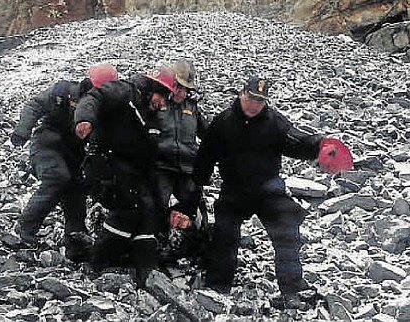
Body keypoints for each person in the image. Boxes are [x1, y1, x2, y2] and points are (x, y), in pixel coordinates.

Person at [187, 76, 350, 306]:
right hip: (234, 190)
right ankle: (217, 286)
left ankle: (291, 289)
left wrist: (320, 145)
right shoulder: (223, 123)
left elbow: (296, 141)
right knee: (224, 234)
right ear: (242, 93)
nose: (255, 105)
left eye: (261, 101)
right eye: (252, 98)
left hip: (268, 189)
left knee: (287, 231)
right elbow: (205, 157)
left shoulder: (274, 122)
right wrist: (194, 189)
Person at [73, 66, 177, 286]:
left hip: (133, 173)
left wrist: (158, 200)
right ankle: (97, 262)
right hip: (104, 167)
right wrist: (84, 119)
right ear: (151, 88)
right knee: (129, 208)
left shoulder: (152, 119)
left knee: (148, 210)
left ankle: (147, 270)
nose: (163, 103)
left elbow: (149, 160)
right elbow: (94, 97)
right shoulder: (123, 92)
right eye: (163, 95)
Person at [10, 64, 118, 262]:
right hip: (47, 146)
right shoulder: (64, 92)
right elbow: (35, 105)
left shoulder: (108, 109)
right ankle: (24, 230)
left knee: (76, 191)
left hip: (76, 156)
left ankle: (75, 244)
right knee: (57, 177)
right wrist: (22, 131)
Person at [152, 60, 209, 260]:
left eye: (185, 89)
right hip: (161, 166)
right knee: (157, 202)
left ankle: (197, 244)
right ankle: (156, 243)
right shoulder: (156, 103)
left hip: (187, 167)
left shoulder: (192, 109)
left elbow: (209, 136)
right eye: (178, 87)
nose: (181, 92)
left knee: (196, 206)